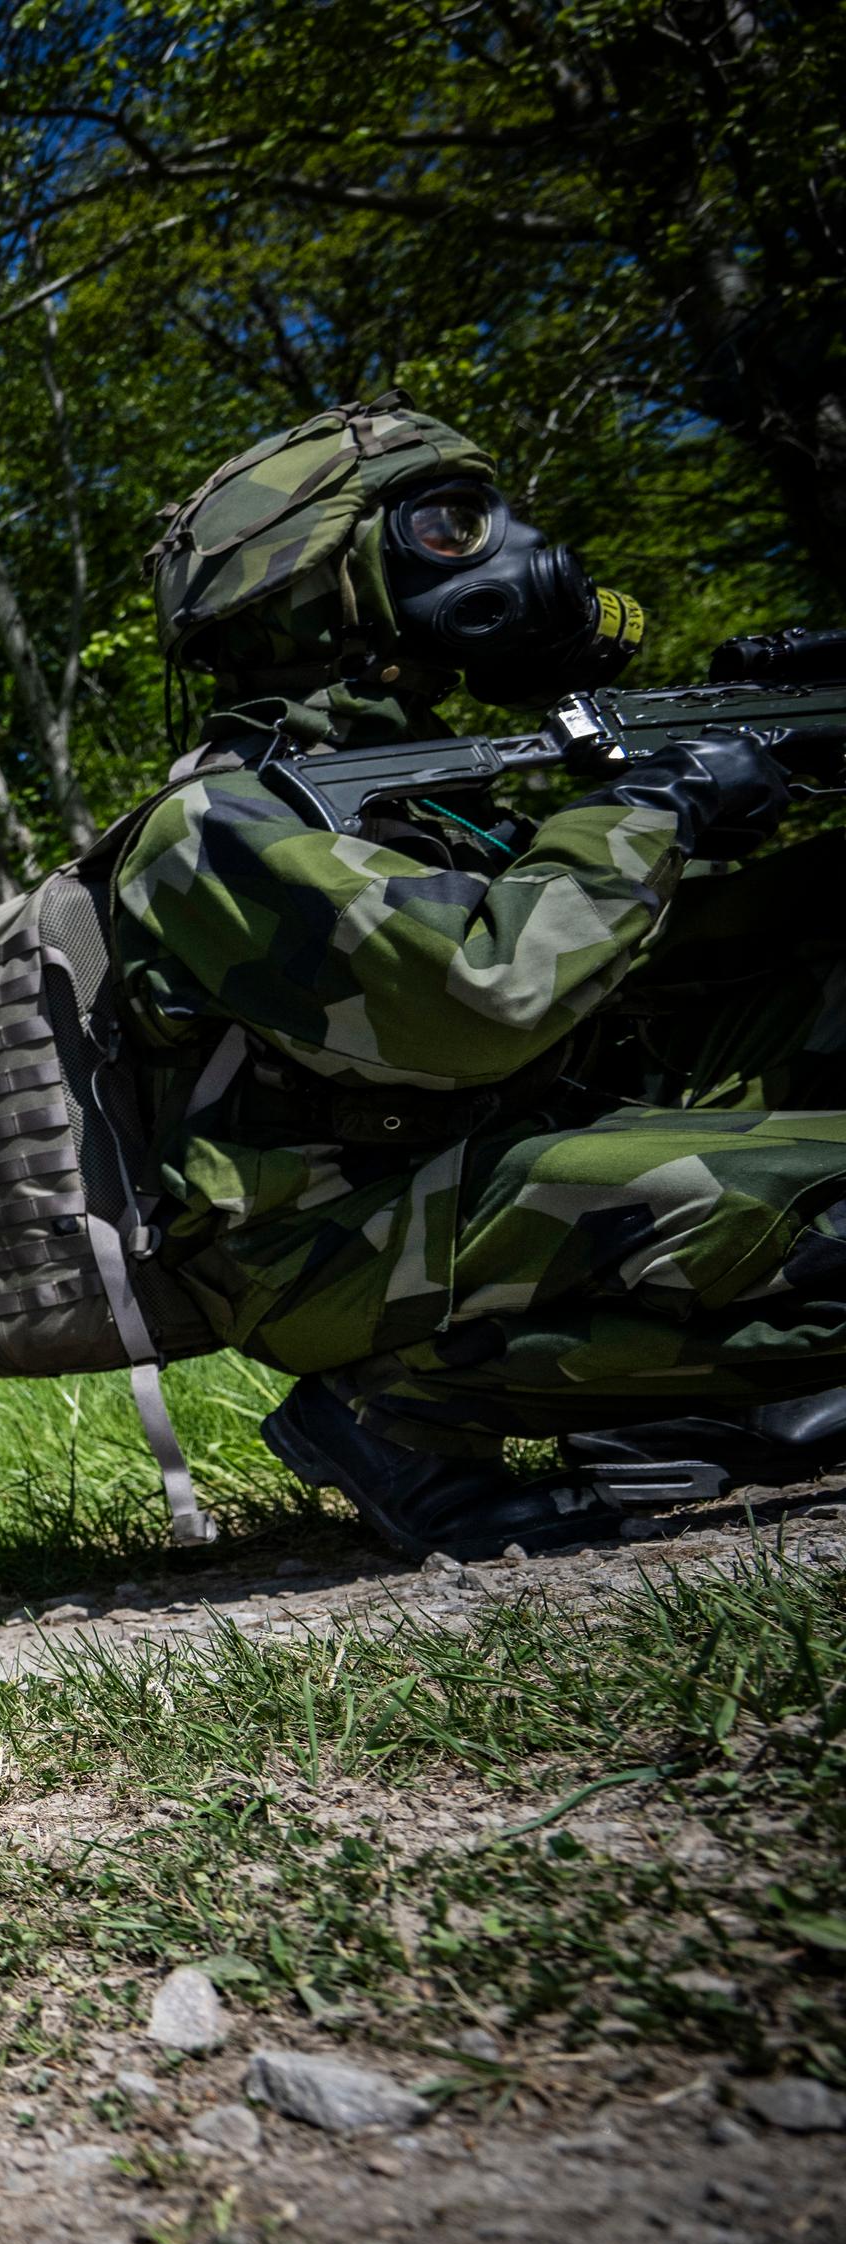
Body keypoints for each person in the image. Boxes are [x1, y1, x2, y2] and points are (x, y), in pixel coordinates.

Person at [122, 394, 835, 1555]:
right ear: (311, 582)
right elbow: (479, 999)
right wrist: (655, 809)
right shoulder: (218, 822)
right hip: (338, 1245)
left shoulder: (423, 798)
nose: (513, 553)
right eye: (449, 527)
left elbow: (626, 978)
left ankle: (674, 1401)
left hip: (471, 1175)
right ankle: (407, 1405)